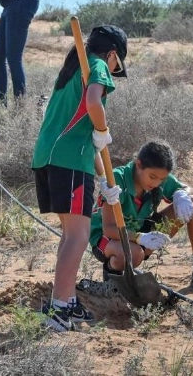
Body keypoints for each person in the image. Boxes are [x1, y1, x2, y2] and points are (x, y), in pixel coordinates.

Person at [31, 25, 128, 332]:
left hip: (52, 158)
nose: (114, 70)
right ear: (112, 54)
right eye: (118, 65)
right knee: (79, 236)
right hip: (68, 161)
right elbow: (95, 105)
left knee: (71, 233)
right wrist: (102, 130)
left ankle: (67, 299)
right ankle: (58, 310)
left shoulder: (72, 71)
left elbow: (85, 136)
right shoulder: (97, 65)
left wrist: (103, 181)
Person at [90, 140, 193, 294]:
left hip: (142, 232)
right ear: (139, 164)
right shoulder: (117, 180)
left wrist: (182, 194)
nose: (156, 183)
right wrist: (140, 238)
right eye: (152, 177)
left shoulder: (158, 179)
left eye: (161, 179)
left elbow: (184, 188)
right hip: (109, 239)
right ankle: (113, 276)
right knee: (133, 254)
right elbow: (109, 229)